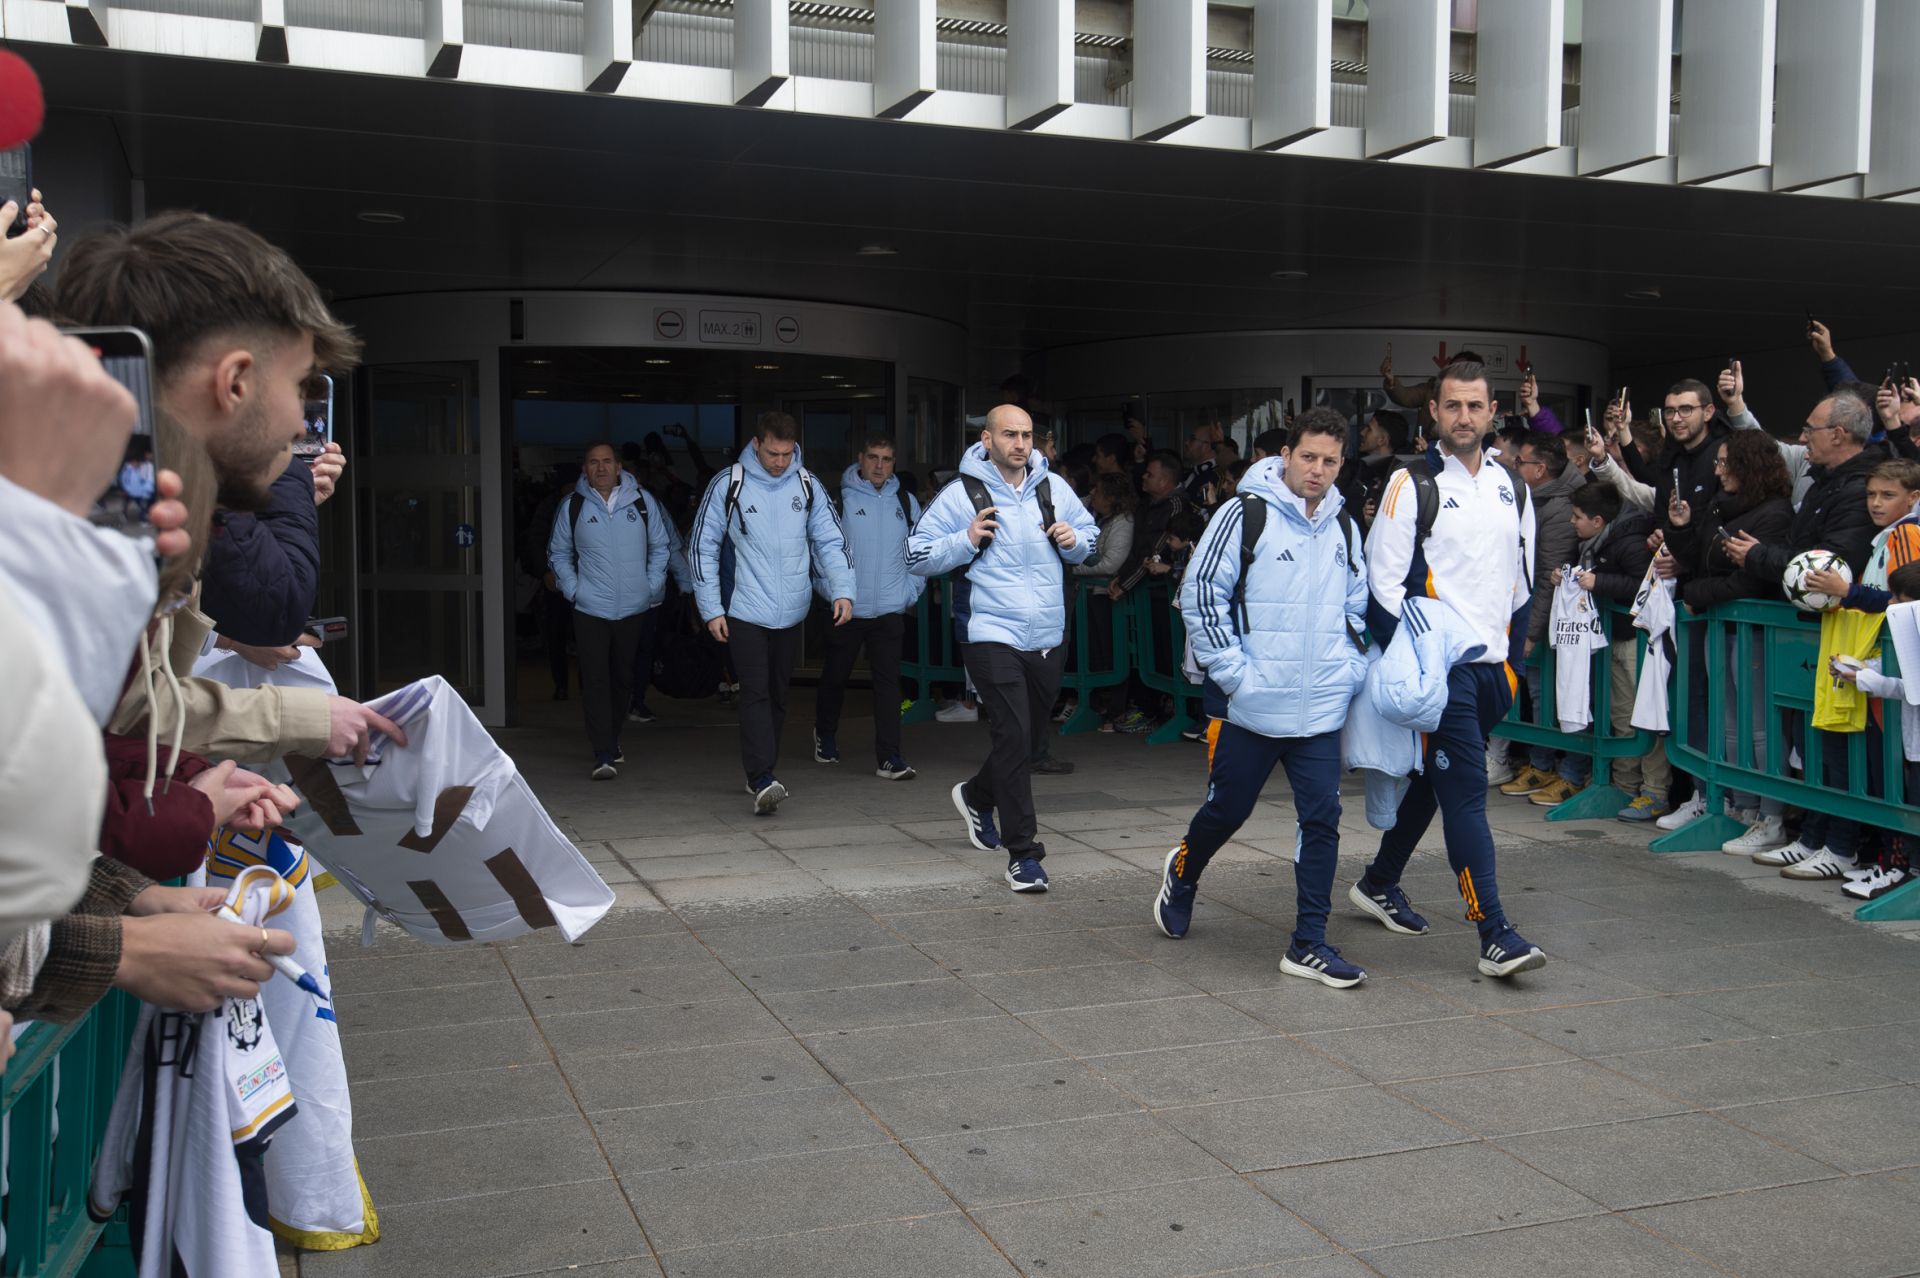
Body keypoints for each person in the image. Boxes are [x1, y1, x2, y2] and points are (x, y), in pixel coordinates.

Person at [56, 210, 402, 766]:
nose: (301, 426)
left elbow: (132, 707)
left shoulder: (130, 496)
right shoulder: (85, 521)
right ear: (235, 383)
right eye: (298, 385)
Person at [1158, 410, 1370, 985]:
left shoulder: (1344, 525)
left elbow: (1356, 604)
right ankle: (1184, 871)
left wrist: (1348, 669)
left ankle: (1309, 943)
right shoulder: (1244, 513)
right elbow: (1201, 593)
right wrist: (1234, 673)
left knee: (1322, 820)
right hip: (1252, 706)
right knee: (1227, 811)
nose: (1317, 470)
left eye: (1330, 461)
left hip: (1320, 708)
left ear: (1341, 464)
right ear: (1286, 456)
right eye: (1308, 457)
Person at [1351, 357, 1546, 979]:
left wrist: (1512, 664)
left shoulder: (1513, 486)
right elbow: (1382, 591)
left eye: (1475, 405)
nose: (1464, 416)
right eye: (1453, 405)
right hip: (1443, 673)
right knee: (1465, 796)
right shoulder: (1410, 483)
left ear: (1493, 413)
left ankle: (1379, 880)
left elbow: (1523, 586)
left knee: (1437, 783)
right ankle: (1494, 933)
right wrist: (1420, 666)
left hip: (1494, 673)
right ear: (1434, 411)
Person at [908, 404, 1097, 892]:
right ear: (987, 440)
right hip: (990, 631)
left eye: (1027, 435)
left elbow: (1091, 540)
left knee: (1025, 739)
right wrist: (966, 539)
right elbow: (916, 554)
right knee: (1013, 735)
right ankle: (1023, 855)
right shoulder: (961, 493)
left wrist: (1075, 541)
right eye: (1010, 434)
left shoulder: (1053, 488)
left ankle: (976, 796)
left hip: (1048, 634)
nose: (1020, 444)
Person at [1718, 393, 1880, 880]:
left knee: (1839, 744)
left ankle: (1842, 845)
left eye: (1811, 428)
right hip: (1815, 633)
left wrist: (1758, 557)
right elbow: (1800, 551)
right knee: (1814, 741)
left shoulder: (1856, 488)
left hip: (1847, 633)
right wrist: (1768, 555)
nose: (1803, 437)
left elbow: (1826, 565)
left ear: (1840, 434)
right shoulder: (1824, 482)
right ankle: (1813, 836)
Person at [692, 412, 855, 814]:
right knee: (755, 692)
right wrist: (711, 608)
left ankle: (764, 771)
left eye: (786, 454)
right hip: (743, 609)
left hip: (792, 611)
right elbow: (702, 546)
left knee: (779, 694)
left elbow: (831, 541)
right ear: (756, 444)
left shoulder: (807, 484)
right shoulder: (729, 483)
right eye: (772, 454)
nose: (780, 462)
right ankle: (761, 776)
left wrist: (842, 590)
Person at [1656, 430, 1796, 848]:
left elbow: (1749, 581)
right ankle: (1742, 806)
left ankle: (1771, 817)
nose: (1717, 471)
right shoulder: (1720, 505)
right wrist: (1681, 527)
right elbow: (1697, 561)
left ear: (1748, 465)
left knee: (1761, 727)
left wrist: (1696, 594)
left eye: (1723, 462)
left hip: (1753, 632)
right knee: (1730, 723)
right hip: (1719, 628)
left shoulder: (1774, 514)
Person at [548, 441, 668, 780]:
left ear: (619, 467)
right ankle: (602, 751)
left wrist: (650, 586)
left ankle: (612, 739)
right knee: (595, 679)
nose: (600, 468)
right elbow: (558, 553)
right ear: (584, 469)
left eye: (606, 461)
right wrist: (574, 590)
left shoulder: (642, 502)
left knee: (623, 678)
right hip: (590, 608)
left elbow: (661, 547)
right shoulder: (572, 506)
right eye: (593, 462)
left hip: (633, 607)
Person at [814, 436, 922, 781]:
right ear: (860, 458)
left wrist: (909, 592)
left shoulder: (905, 501)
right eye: (873, 457)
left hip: (889, 609)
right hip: (847, 607)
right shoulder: (838, 499)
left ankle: (890, 757)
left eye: (887, 459)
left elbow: (920, 551)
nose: (879, 465)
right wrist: (834, 593)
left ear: (894, 463)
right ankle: (825, 734)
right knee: (836, 676)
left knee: (888, 685)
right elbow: (819, 552)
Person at [1554, 484, 1663, 820]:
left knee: (1648, 717)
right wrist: (1565, 574)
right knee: (1621, 716)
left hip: (1637, 641)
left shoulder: (1630, 542)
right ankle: (1624, 786)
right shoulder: (1591, 542)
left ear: (1598, 521)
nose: (1572, 522)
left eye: (1577, 517)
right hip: (1614, 637)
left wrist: (1599, 583)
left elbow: (1645, 585)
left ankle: (1655, 792)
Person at [1496, 432, 1587, 800]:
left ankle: (1559, 768)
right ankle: (1541, 763)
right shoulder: (1535, 499)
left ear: (1541, 469)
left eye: (1521, 462)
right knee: (1538, 693)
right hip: (1537, 614)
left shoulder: (1559, 509)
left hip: (1555, 621)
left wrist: (1530, 632)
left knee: (1552, 694)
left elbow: (1550, 574)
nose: (1515, 466)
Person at [1831, 560, 1920, 899]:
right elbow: (1901, 667)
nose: (1890, 604)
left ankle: (1909, 876)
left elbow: (1912, 686)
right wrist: (1860, 670)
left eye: (1898, 599)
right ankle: (1905, 870)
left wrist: (1867, 678)